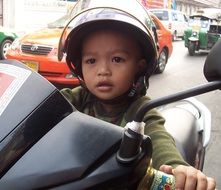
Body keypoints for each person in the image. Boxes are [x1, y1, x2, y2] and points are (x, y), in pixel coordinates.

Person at [58, 2, 216, 189]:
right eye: (91, 60)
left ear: (139, 66)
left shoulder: (141, 111)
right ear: (80, 66)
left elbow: (158, 139)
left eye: (117, 59)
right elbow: (42, 106)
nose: (103, 70)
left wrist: (177, 168)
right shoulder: (74, 99)